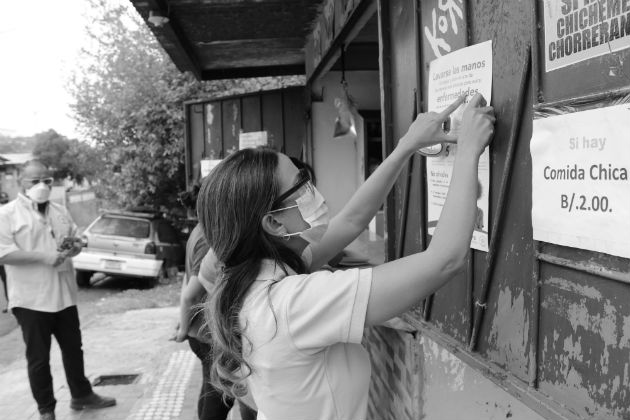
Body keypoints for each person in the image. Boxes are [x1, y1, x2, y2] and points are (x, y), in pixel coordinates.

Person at [196, 93, 495, 419]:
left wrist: (406, 146)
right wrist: (468, 151)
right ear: (274, 222)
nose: (310, 187)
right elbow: (444, 260)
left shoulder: (261, 277)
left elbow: (353, 220)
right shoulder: (292, 304)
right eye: (299, 184)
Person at [0, 161, 115, 420]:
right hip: (31, 299)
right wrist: (44, 257)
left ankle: (81, 395)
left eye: (47, 180)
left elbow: (75, 237)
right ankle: (46, 409)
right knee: (38, 358)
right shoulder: (7, 214)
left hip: (64, 295)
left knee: (74, 349)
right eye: (35, 180)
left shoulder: (60, 210)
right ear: (22, 182)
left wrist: (76, 247)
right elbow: (3, 253)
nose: (42, 185)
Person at [173, 188, 257, 420]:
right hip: (208, 333)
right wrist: (182, 328)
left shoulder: (202, 231)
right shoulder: (209, 238)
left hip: (203, 330)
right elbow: (190, 292)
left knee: (214, 393)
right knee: (220, 397)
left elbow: (186, 284)